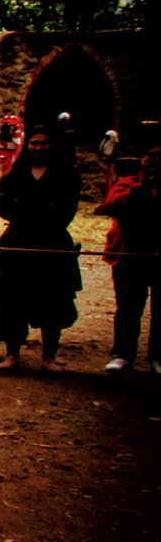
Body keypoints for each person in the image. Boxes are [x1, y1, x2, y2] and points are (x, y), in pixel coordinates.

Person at [0, 126, 82, 372]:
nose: (39, 148)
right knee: (11, 300)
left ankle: (48, 357)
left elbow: (64, 212)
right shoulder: (14, 175)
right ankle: (12, 354)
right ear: (28, 146)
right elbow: (5, 209)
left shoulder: (67, 176)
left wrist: (29, 209)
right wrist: (41, 208)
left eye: (45, 143)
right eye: (35, 143)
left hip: (51, 244)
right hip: (17, 243)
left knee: (52, 300)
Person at [100, 147, 161, 374]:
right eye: (150, 157)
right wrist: (141, 188)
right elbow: (110, 206)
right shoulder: (128, 184)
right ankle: (123, 354)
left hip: (158, 254)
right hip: (130, 254)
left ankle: (158, 356)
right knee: (128, 308)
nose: (153, 163)